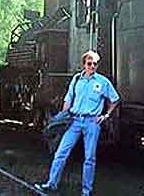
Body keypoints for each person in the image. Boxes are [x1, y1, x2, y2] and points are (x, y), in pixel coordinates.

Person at [35, 50, 120, 196]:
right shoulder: (76, 80)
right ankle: (51, 184)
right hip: (74, 121)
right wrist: (62, 118)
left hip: (92, 123)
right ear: (83, 65)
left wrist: (105, 115)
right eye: (89, 63)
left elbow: (115, 99)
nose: (92, 66)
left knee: (89, 158)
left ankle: (86, 192)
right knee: (61, 152)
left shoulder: (102, 82)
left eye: (95, 64)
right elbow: (68, 99)